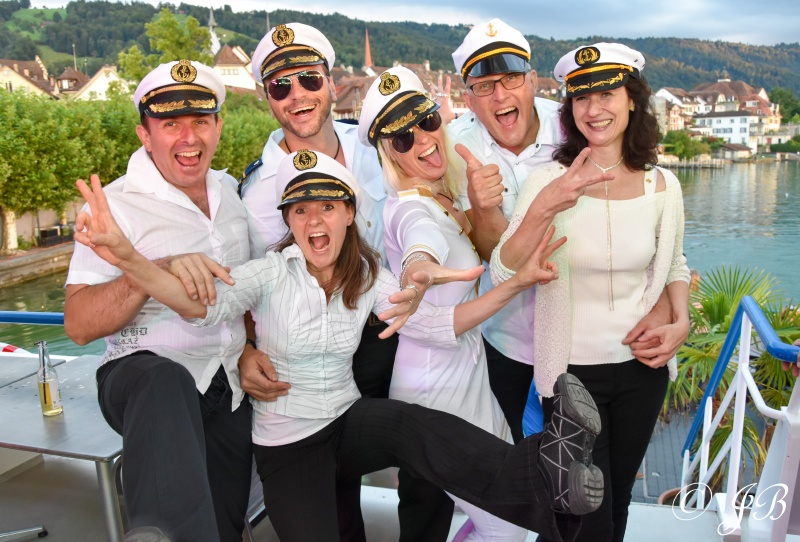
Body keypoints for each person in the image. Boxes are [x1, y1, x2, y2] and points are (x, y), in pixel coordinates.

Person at [74, 149, 604, 542]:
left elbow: (439, 323)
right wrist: (131, 261)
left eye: (327, 206)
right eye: (300, 210)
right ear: (288, 221)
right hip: (289, 444)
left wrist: (515, 283)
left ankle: (546, 475)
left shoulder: (367, 277)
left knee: (416, 425)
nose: (314, 220)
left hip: (346, 422)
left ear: (349, 214)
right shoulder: (269, 274)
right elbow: (196, 306)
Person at [244, 23, 453, 541]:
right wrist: (246, 348)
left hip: (397, 328)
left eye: (309, 79)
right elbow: (250, 289)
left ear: (330, 82)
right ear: (266, 96)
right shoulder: (257, 190)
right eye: (281, 86)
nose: (298, 95)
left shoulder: (375, 146)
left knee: (428, 466)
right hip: (319, 348)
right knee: (335, 493)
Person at [491, 43, 691, 542]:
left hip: (642, 372)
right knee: (581, 513)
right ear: (570, 109)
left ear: (632, 100)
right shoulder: (547, 180)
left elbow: (674, 264)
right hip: (570, 378)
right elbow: (502, 269)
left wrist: (682, 321)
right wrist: (546, 206)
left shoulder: (662, 186)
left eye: (606, 94)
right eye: (581, 97)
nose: (593, 108)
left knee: (617, 500)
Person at [446, 19, 677, 442]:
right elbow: (497, 258)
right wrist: (483, 208)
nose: (501, 95)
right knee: (510, 459)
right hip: (509, 336)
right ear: (468, 99)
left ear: (533, 80)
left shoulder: (580, 122)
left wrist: (668, 310)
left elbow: (647, 235)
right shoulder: (452, 147)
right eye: (484, 86)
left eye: (512, 78)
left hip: (588, 346)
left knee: (585, 469)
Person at [63, 61, 252, 542]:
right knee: (164, 379)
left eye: (200, 121)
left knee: (223, 527)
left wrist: (251, 348)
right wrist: (150, 272)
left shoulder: (232, 193)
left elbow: (248, 292)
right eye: (170, 124)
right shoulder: (114, 208)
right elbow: (78, 325)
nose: (189, 138)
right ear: (145, 136)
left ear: (218, 127)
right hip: (141, 376)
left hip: (227, 384)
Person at [358, 65, 533, 541]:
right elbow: (419, 241)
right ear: (388, 154)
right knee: (509, 524)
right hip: (436, 392)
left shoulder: (440, 196)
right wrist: (419, 267)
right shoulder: (409, 208)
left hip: (469, 377)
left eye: (427, 121)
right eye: (403, 138)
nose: (423, 139)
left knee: (506, 509)